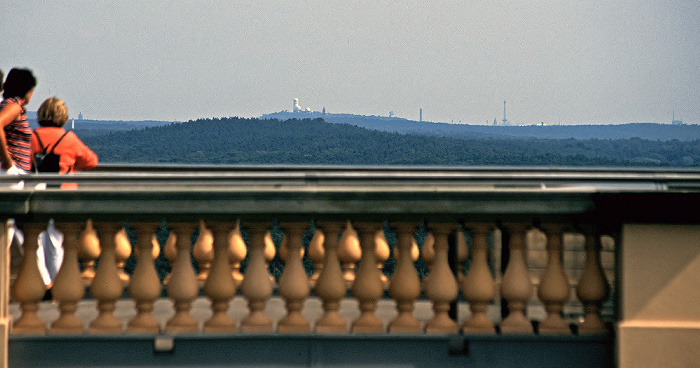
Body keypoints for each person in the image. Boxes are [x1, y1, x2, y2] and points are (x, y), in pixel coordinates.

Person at [30, 97, 98, 293]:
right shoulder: (68, 139)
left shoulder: (33, 138)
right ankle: (57, 287)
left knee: (36, 241)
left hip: (38, 194)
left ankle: (44, 281)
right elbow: (91, 161)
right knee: (56, 243)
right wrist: (71, 167)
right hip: (63, 196)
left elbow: (25, 164)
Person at [0, 68, 36, 175]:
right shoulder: (14, 106)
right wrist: (7, 161)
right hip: (11, 171)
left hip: (15, 171)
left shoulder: (7, 104)